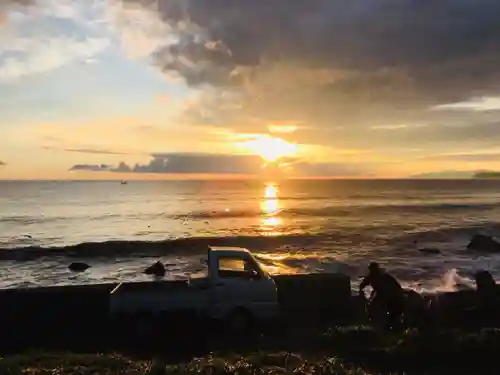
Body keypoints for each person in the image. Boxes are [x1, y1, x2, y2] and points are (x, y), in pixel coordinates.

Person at [359, 262, 405, 329]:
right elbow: (397, 285)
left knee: (381, 310)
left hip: (388, 295)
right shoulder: (383, 275)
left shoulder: (375, 276)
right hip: (390, 295)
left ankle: (385, 325)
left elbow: (363, 285)